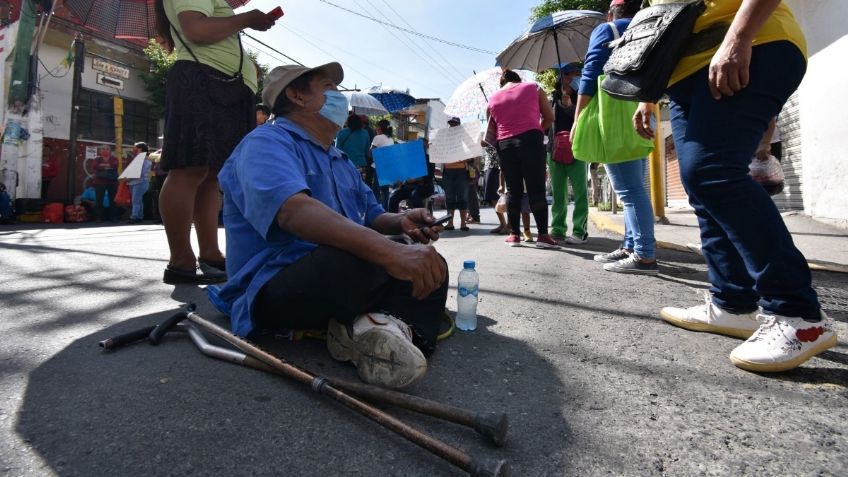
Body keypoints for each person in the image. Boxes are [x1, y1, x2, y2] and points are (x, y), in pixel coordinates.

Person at [632, 0, 836, 372]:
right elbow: (665, 21)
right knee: (702, 185)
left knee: (713, 172)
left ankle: (799, 315)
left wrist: (738, 37)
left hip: (752, 42)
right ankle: (732, 303)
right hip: (683, 74)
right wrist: (648, 96)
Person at [216, 63, 448, 389]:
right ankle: (377, 322)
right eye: (331, 88)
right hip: (276, 284)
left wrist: (401, 222)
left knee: (430, 262)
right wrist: (388, 251)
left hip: (334, 276)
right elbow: (293, 212)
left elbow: (371, 215)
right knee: (360, 256)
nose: (340, 98)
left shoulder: (339, 160)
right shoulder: (266, 143)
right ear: (297, 95)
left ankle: (375, 331)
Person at [154, 0, 277, 284]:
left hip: (227, 85)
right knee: (188, 168)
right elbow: (196, 30)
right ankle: (180, 259)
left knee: (212, 175)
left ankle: (210, 253)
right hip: (203, 80)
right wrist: (247, 19)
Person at [572, 0, 658, 273]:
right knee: (635, 187)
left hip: (615, 113)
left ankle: (644, 255)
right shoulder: (651, 25)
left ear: (611, 13)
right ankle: (631, 245)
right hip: (643, 104)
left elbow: (591, 72)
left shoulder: (606, 29)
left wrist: (577, 118)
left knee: (629, 189)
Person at [487, 69, 556, 248]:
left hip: (505, 145)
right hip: (531, 140)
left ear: (502, 84)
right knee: (536, 188)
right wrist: (536, 128)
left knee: (512, 189)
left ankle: (514, 235)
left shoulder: (492, 99)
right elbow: (550, 117)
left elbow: (491, 130)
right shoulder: (534, 88)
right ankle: (542, 235)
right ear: (519, 80)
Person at [549, 64, 589, 244]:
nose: (577, 77)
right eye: (573, 74)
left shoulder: (584, 97)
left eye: (579, 74)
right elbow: (545, 122)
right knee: (558, 194)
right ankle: (558, 229)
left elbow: (586, 120)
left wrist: (572, 107)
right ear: (563, 76)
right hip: (555, 151)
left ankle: (580, 231)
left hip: (578, 148)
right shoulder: (551, 97)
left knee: (580, 193)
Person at [440, 117, 471, 231]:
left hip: (462, 170)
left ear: (459, 125)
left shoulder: (465, 138)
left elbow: (471, 152)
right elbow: (437, 150)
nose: (452, 126)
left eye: (454, 124)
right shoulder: (443, 138)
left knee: (462, 197)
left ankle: (463, 223)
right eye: (450, 123)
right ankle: (450, 223)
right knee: (449, 198)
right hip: (447, 171)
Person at [335, 113, 371, 179]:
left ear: (348, 122)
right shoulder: (365, 133)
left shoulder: (341, 133)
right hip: (360, 165)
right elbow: (367, 151)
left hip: (345, 165)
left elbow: (337, 151)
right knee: (360, 186)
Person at [370, 119, 394, 210]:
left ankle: (377, 210)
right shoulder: (390, 138)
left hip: (379, 166)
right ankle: (385, 209)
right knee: (385, 190)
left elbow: (371, 152)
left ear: (379, 128)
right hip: (388, 167)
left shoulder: (377, 138)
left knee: (376, 190)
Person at [91, 145, 118, 222]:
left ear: (110, 151)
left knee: (113, 200)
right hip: (99, 182)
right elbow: (95, 166)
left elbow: (114, 165)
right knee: (99, 200)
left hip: (112, 182)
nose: (105, 150)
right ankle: (99, 217)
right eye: (103, 149)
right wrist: (107, 166)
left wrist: (102, 166)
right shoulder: (96, 159)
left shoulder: (114, 159)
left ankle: (113, 217)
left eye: (107, 149)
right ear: (100, 151)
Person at [127, 142, 153, 224]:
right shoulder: (141, 158)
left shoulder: (143, 159)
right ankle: (139, 216)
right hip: (136, 182)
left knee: (135, 200)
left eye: (136, 148)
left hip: (139, 182)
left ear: (140, 149)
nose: (134, 149)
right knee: (138, 200)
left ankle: (134, 217)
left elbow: (139, 173)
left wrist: (128, 178)